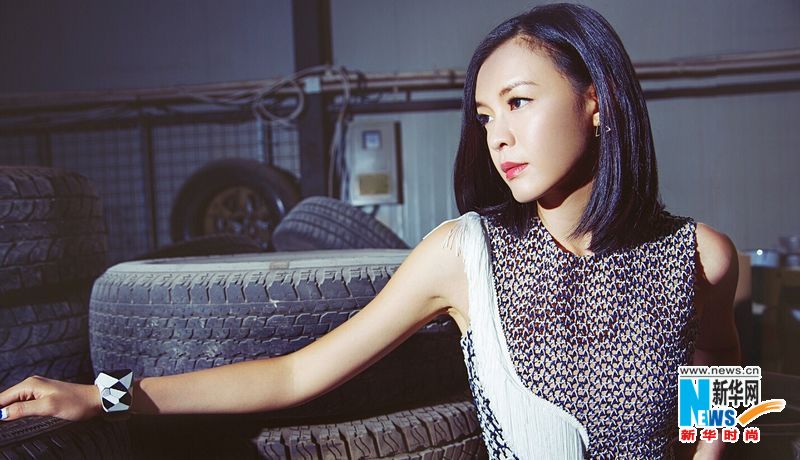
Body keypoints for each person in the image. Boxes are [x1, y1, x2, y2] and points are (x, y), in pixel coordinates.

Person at [0, 3, 740, 459]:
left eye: (519, 102)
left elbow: (721, 387)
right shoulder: (462, 255)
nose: (498, 136)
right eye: (485, 116)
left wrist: (715, 457)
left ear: (597, 101)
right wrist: (103, 396)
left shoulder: (701, 256)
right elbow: (293, 375)